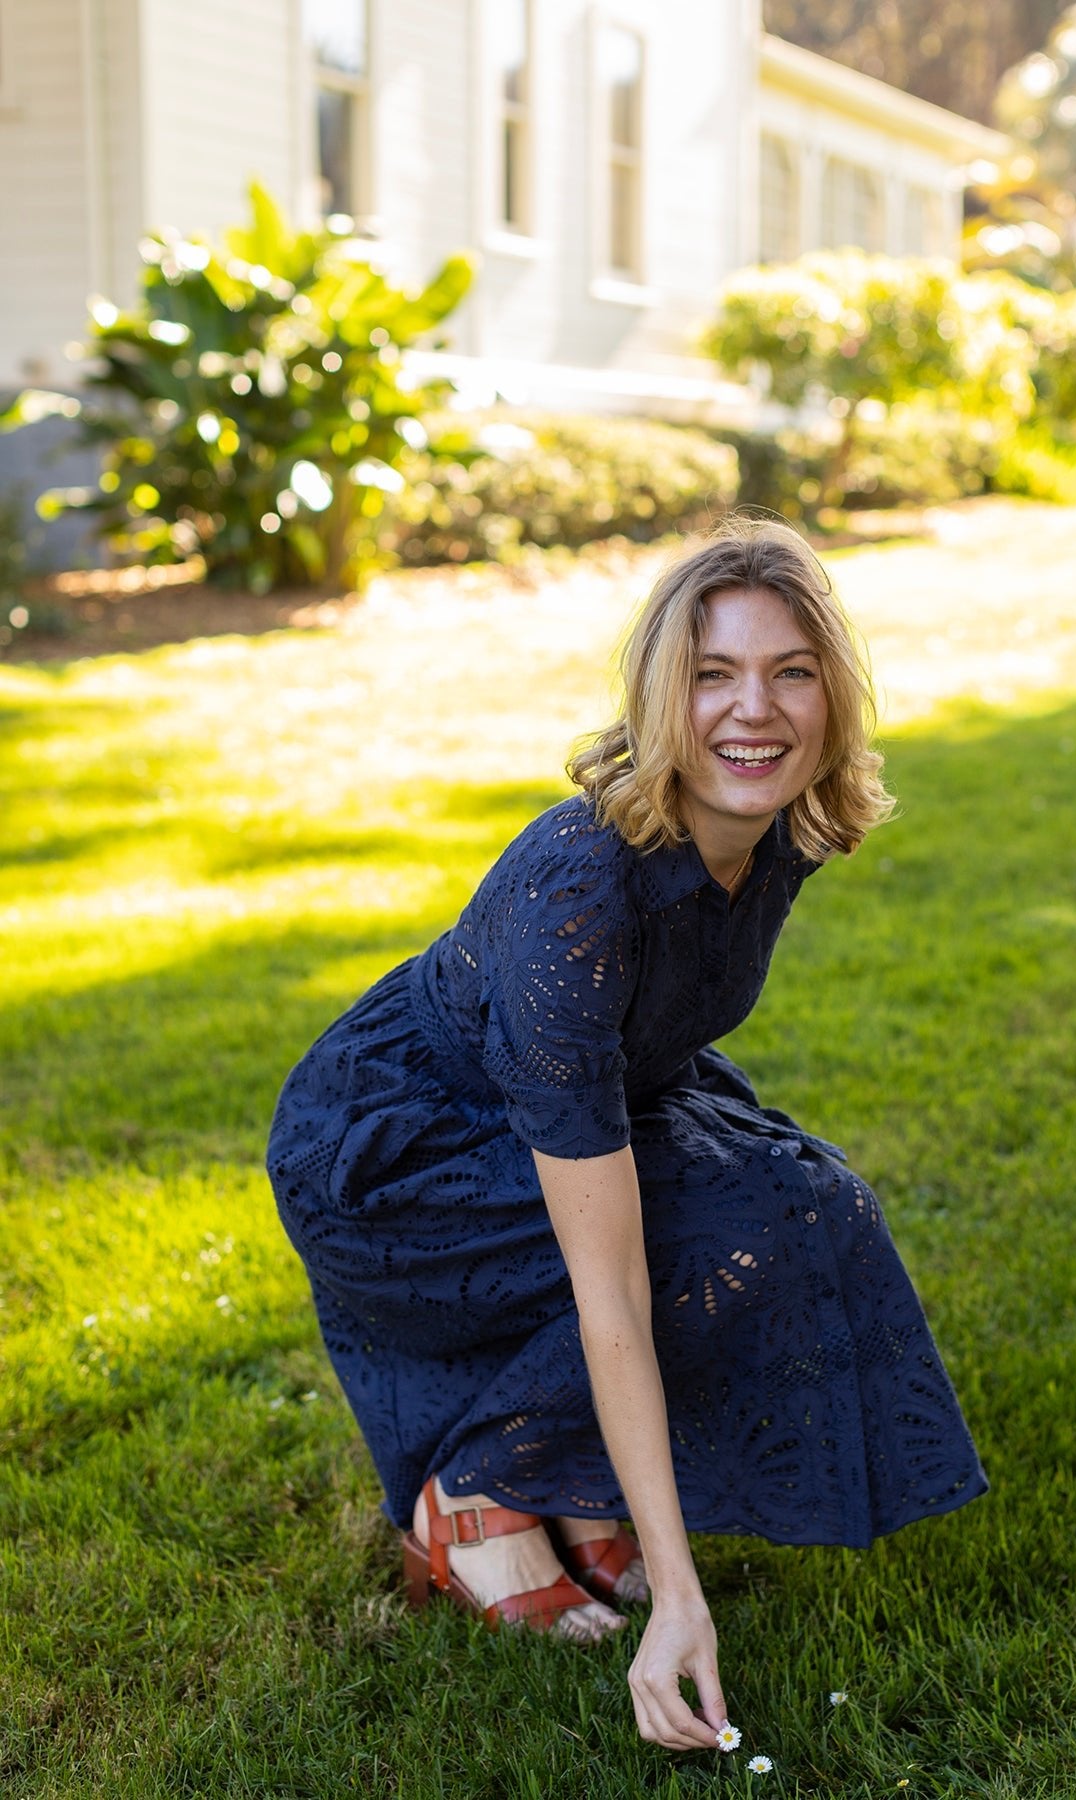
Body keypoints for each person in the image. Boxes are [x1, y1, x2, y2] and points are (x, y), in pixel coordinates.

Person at [267, 517, 988, 1751]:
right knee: (711, 1234)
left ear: (832, 693)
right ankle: (479, 1491)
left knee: (805, 1199)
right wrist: (683, 1590)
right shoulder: (580, 893)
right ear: (661, 696)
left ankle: (567, 1483)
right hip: (395, 1161)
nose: (754, 710)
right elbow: (611, 1296)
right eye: (713, 675)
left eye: (791, 671)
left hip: (559, 1102)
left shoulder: (778, 828)